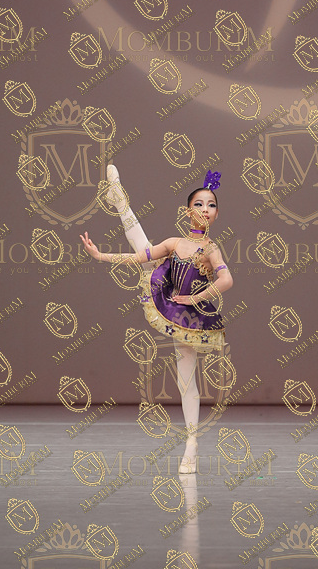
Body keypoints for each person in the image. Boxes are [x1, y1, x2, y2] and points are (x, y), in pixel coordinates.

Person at [79, 165, 233, 473]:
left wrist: (196, 298)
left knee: (186, 380)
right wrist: (101, 256)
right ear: (188, 211)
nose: (205, 209)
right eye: (199, 204)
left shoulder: (211, 248)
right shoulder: (175, 243)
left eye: (211, 205)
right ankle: (120, 203)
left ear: (217, 214)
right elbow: (140, 256)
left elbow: (227, 280)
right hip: (167, 294)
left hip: (190, 316)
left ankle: (191, 443)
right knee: (146, 252)